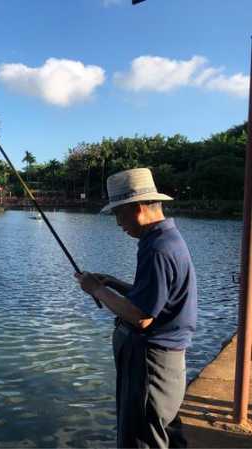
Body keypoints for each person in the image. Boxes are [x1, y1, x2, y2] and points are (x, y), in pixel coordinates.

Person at [75, 168, 197, 448]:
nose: (118, 223)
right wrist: (114, 284)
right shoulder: (164, 239)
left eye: (119, 214)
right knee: (165, 432)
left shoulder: (158, 248)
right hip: (166, 364)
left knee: (142, 438)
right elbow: (155, 301)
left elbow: (141, 317)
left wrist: (96, 289)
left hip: (152, 366)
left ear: (139, 208)